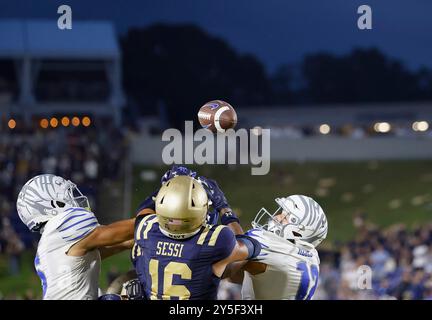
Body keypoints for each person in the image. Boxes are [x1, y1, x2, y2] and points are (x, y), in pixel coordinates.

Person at [132, 174, 261, 299]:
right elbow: (251, 247)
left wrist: (167, 186)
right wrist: (223, 207)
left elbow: (143, 211)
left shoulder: (145, 229)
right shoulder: (215, 239)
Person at [16, 174, 135, 300]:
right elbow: (113, 233)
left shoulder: (50, 239)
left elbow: (88, 256)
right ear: (54, 203)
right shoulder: (61, 223)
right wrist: (148, 215)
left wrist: (125, 244)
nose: (73, 197)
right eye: (68, 194)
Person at [225, 195, 328, 300]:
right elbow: (235, 276)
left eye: (285, 217)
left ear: (298, 231)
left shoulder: (269, 245)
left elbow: (226, 268)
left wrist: (226, 213)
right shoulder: (312, 256)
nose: (276, 217)